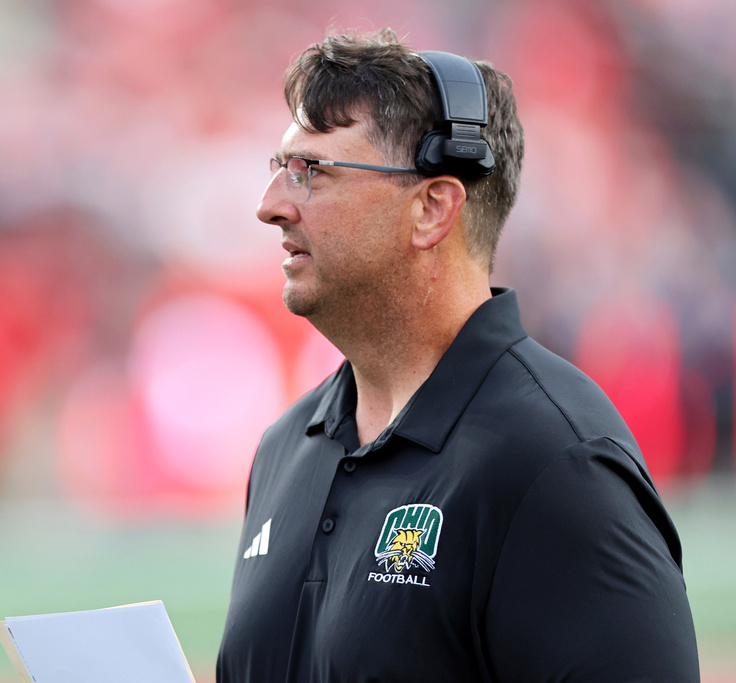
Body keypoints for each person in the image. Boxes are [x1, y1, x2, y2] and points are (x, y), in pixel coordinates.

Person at [216, 28, 699, 683]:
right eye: (279, 169)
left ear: (432, 208)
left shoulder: (556, 463)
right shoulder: (283, 449)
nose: (270, 206)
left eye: (313, 172)